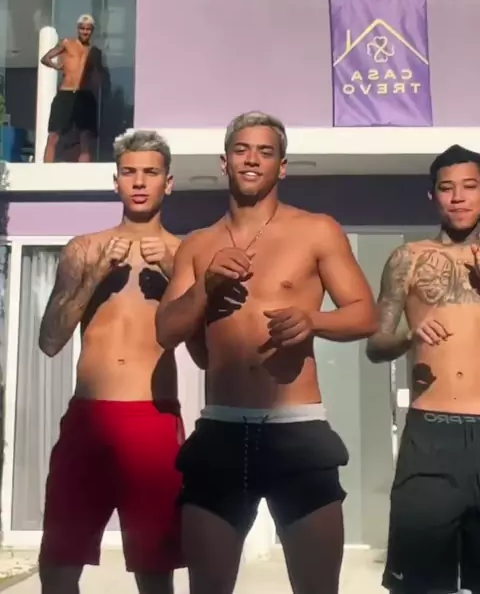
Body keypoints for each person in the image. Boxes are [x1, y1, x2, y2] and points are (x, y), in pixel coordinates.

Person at [156, 111, 378, 594]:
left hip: (297, 430)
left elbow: (366, 314)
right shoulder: (198, 245)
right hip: (221, 428)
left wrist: (313, 320)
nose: (252, 159)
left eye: (265, 151)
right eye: (241, 150)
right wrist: (205, 288)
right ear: (224, 162)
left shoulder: (317, 230)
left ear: (282, 166)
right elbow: (166, 331)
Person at [38, 129, 184, 594]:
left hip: (153, 417)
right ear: (115, 181)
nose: (139, 182)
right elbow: (49, 340)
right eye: (129, 172)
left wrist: (176, 276)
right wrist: (96, 275)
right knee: (58, 565)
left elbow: (208, 346)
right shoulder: (84, 248)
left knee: (154, 572)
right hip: (88, 419)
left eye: (150, 173)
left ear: (168, 182)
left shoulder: (187, 255)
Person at [366, 143, 480, 594]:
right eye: (447, 188)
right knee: (418, 584)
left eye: (470, 186)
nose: (459, 197)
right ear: (432, 196)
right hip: (432, 435)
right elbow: (376, 344)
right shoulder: (407, 258)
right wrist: (410, 337)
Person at [42, 14, 103, 163]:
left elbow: (98, 73)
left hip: (85, 94)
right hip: (66, 93)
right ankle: (45, 172)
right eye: (82, 28)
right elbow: (45, 58)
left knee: (85, 139)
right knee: (53, 136)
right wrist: (57, 66)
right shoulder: (67, 43)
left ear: (92, 31)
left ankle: (83, 174)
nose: (85, 32)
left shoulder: (94, 51)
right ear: (78, 29)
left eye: (88, 29)